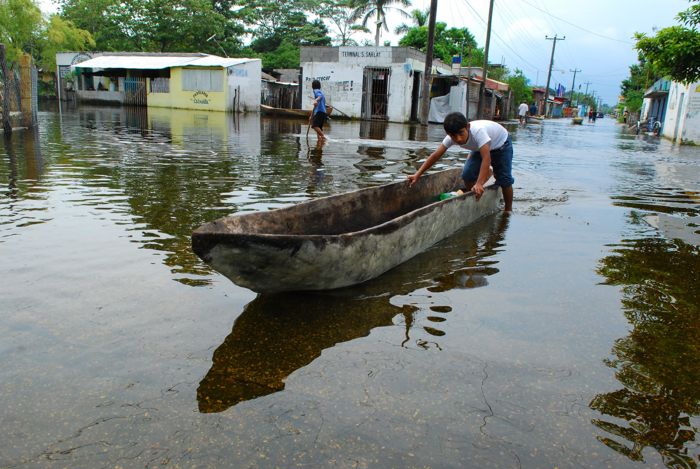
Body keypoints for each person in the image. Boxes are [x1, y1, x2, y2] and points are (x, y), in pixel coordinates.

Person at [407, 112, 514, 212]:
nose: (458, 139)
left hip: (501, 145)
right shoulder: (450, 138)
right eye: (453, 136)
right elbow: (435, 156)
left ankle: (508, 211)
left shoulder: (478, 132)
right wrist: (417, 174)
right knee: (467, 174)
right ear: (448, 134)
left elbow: (486, 158)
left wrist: (479, 183)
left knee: (504, 179)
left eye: (461, 133)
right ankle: (474, 198)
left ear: (468, 127)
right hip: (479, 148)